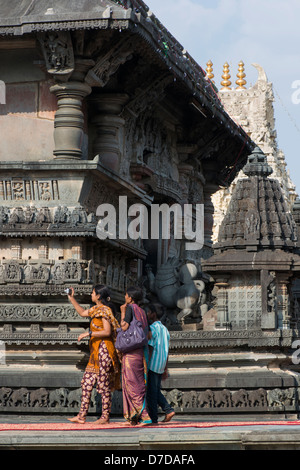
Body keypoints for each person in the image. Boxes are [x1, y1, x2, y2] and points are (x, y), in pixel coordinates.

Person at [67, 285, 121, 424]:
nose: (91, 295)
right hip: (95, 353)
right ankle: (81, 415)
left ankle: (105, 416)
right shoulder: (96, 309)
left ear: (98, 296)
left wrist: (89, 333)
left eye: (92, 293)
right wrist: (71, 298)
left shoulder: (104, 311)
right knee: (86, 382)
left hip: (104, 351)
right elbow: (83, 313)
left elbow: (107, 332)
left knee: (103, 385)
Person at [120, 286, 152, 426]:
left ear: (130, 298)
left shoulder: (129, 309)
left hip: (131, 352)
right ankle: (133, 416)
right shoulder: (142, 312)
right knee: (137, 383)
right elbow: (147, 333)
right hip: (140, 352)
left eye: (126, 295)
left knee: (132, 384)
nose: (125, 297)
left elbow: (124, 327)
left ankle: (144, 416)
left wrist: (122, 313)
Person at [145, 304, 175, 424]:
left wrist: (146, 364)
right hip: (161, 363)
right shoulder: (164, 329)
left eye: (148, 312)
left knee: (152, 393)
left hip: (153, 363)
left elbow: (151, 347)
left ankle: (154, 418)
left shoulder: (153, 328)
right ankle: (168, 410)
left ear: (153, 314)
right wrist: (165, 368)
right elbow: (167, 350)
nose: (147, 314)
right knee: (155, 390)